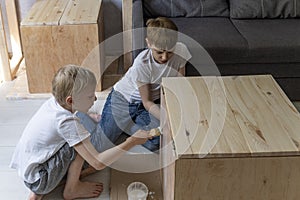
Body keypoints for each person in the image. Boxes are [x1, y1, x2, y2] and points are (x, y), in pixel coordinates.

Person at [10, 65, 151, 200]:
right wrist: (131, 142)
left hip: (28, 168)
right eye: (90, 96)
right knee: (80, 144)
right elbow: (97, 162)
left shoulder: (54, 103)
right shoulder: (67, 123)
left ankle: (41, 189)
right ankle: (71, 189)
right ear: (71, 100)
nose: (95, 99)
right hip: (40, 178)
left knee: (77, 137)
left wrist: (88, 116)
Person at [78, 17, 191, 152]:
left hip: (147, 105)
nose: (165, 57)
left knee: (157, 140)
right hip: (123, 100)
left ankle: (121, 124)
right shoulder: (142, 64)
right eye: (159, 52)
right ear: (148, 43)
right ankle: (79, 114)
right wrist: (168, 117)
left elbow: (178, 85)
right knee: (99, 146)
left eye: (170, 51)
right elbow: (147, 101)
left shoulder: (182, 50)